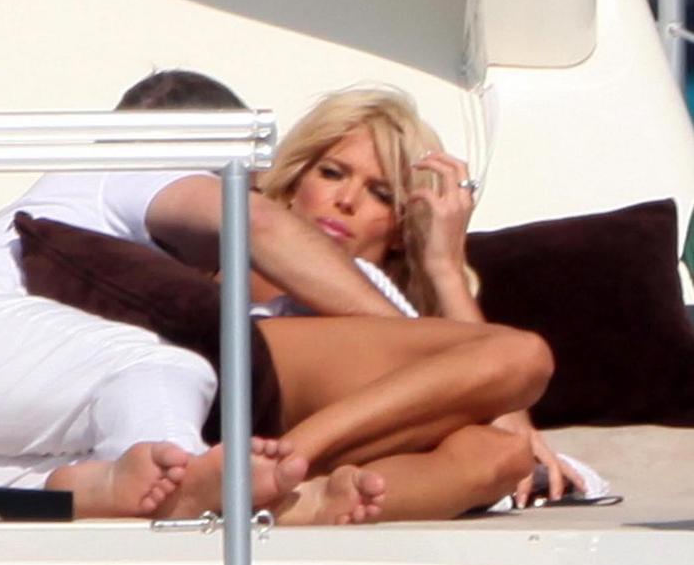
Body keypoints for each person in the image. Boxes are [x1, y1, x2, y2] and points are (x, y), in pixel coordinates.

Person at [0, 70, 390, 521]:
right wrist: (403, 335)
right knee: (163, 369)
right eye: (245, 182)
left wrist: (433, 264)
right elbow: (255, 224)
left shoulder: (130, 280)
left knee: (109, 471)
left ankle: (105, 488)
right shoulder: (122, 165)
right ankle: (194, 492)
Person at [242, 87, 586, 522]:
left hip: (342, 424)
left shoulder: (390, 301)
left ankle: (305, 503)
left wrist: (445, 266)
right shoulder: (253, 254)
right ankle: (283, 464)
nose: (346, 200)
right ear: (294, 184)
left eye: (381, 194)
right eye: (331, 173)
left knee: (503, 454)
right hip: (263, 380)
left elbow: (506, 424)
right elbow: (501, 389)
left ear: (401, 231)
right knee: (524, 355)